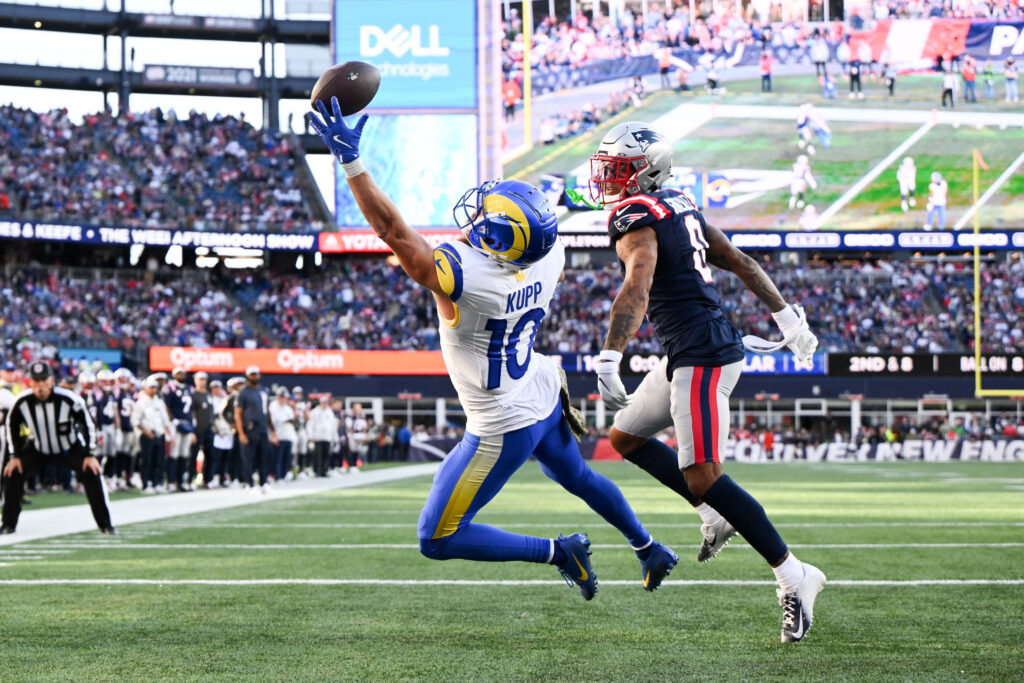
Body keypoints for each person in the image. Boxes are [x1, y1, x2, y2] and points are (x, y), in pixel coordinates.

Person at [309, 96, 679, 600]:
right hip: (541, 389)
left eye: (486, 218)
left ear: (500, 239)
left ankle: (559, 551)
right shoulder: (551, 253)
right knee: (576, 475)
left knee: (436, 537)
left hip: (501, 420)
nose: (476, 217)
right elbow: (546, 214)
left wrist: (351, 163)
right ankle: (647, 545)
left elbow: (393, 232)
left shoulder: (467, 277)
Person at [588, 121, 825, 641]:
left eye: (618, 169)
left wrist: (611, 355)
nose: (608, 178)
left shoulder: (637, 222)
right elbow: (738, 261)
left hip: (703, 354)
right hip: (687, 350)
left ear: (644, 173)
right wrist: (786, 317)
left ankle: (794, 575)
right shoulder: (679, 205)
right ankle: (714, 514)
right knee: (625, 438)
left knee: (702, 472)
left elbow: (638, 285)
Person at [2, 361, 116, 534]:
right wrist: (14, 456)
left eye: (44, 380)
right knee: (13, 472)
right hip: (38, 448)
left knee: (92, 472)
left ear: (51, 380)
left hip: (68, 447)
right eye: (36, 381)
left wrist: (89, 454)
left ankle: (105, 524)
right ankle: (8, 524)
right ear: (30, 382)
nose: (40, 385)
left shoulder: (68, 398)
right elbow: (11, 426)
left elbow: (87, 423)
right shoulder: (22, 401)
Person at [235, 366, 275, 492]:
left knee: (263, 456)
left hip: (262, 428)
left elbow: (267, 412)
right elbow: (238, 413)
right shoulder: (243, 392)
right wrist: (241, 432)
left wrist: (272, 431)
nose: (254, 377)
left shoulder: (264, 390)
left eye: (256, 374)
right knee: (248, 457)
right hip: (250, 428)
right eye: (252, 375)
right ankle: (249, 483)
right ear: (247, 376)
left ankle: (263, 482)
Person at [132, 375, 173, 493]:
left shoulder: (159, 402)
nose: (153, 390)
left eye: (155, 387)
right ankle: (146, 484)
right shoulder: (141, 402)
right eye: (151, 387)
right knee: (146, 460)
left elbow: (165, 420)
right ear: (145, 388)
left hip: (160, 434)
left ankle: (156, 483)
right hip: (147, 435)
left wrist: (169, 434)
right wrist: (145, 431)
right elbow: (135, 421)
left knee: (158, 460)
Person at [163, 367, 196, 491]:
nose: (181, 376)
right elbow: (166, 405)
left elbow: (192, 409)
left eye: (182, 373)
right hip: (174, 423)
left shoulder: (189, 388)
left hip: (187, 423)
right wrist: (173, 420)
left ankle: (180, 481)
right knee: (173, 454)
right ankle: (171, 481)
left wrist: (192, 424)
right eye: (178, 374)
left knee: (184, 454)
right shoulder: (170, 387)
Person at [190, 371, 214, 488]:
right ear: (195, 380)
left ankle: (207, 480)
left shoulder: (208, 394)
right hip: (197, 429)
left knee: (210, 455)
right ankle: (191, 479)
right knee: (193, 455)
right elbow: (191, 412)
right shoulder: (193, 394)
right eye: (199, 379)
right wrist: (192, 430)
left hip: (208, 429)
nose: (202, 381)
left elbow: (211, 412)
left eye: (204, 379)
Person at [269, 388, 298, 481]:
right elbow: (272, 422)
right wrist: (273, 436)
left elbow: (292, 419)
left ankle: (283, 475)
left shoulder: (288, 407)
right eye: (281, 397)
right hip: (278, 435)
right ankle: (277, 476)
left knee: (287, 457)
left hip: (288, 435)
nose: (283, 399)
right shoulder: (273, 406)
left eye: (284, 397)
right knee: (277, 458)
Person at [307, 395, 338, 477]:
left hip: (327, 437)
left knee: (326, 454)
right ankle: (317, 471)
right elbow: (310, 424)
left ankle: (325, 470)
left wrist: (335, 437)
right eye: (323, 403)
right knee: (318, 455)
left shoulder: (329, 412)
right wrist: (311, 435)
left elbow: (333, 426)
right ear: (320, 403)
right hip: (317, 437)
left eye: (325, 403)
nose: (324, 404)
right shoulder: (315, 411)